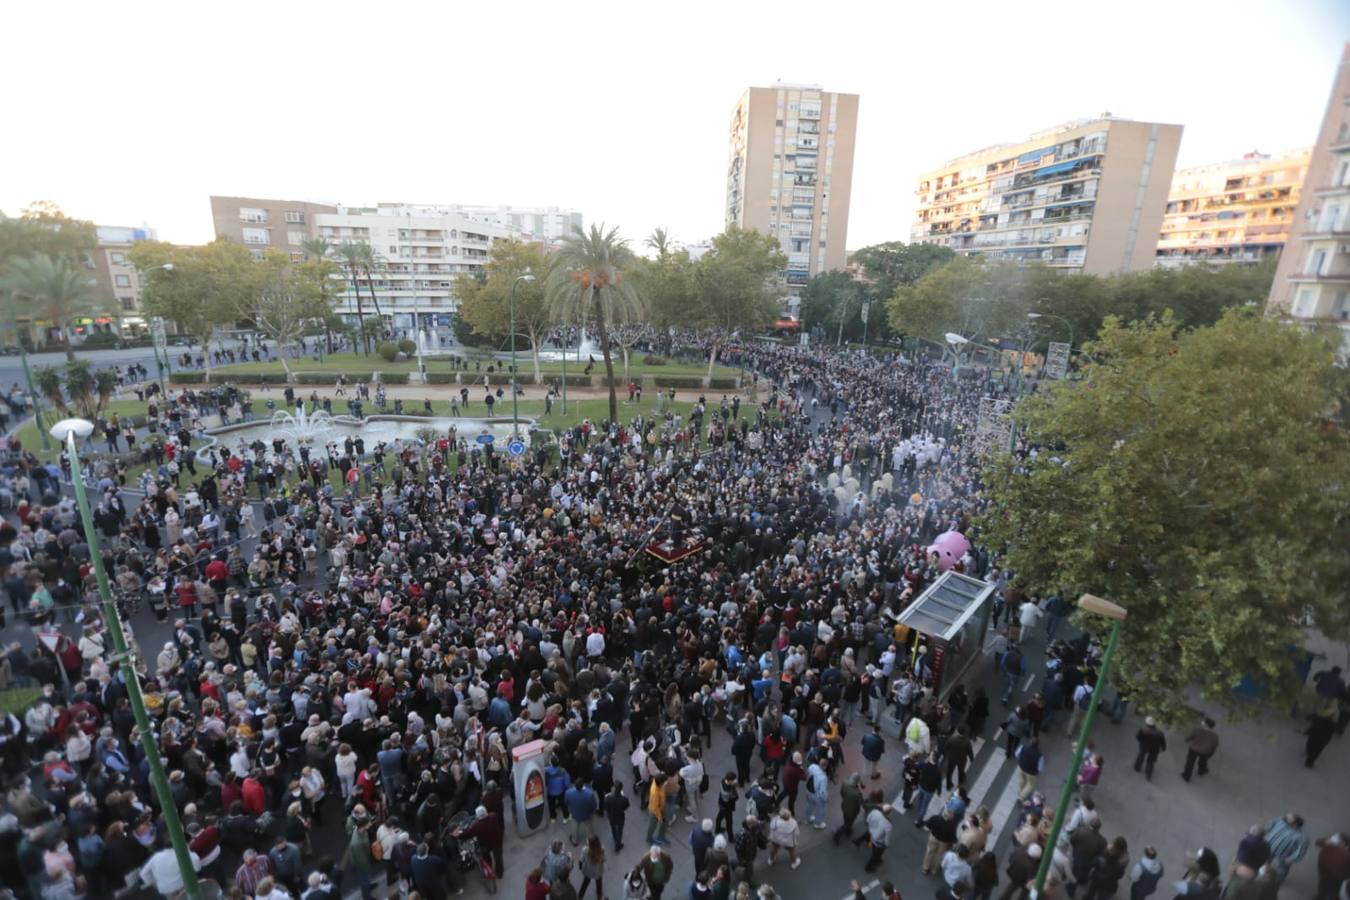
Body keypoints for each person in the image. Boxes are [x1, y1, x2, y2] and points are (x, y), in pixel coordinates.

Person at [1263, 813, 1309, 882]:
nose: (1284, 818)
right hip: (1269, 847)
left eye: (1288, 819)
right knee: (1264, 861)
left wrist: (1290, 859)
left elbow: (1300, 852)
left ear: (1295, 824)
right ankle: (1262, 873)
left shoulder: (1301, 837)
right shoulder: (1281, 821)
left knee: (1282, 869)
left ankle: (1277, 881)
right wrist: (1263, 832)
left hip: (1284, 855)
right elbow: (1270, 824)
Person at [1314, 832, 1350, 900]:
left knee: (1333, 890)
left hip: (1337, 876)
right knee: (1323, 884)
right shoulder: (1329, 844)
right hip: (1325, 869)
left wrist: (1345, 876)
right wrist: (1326, 841)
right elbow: (1318, 842)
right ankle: (1320, 897)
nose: (1333, 840)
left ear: (1343, 844)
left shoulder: (1346, 854)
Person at [833, 772, 864, 846]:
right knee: (848, 823)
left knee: (846, 820)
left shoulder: (845, 783)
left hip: (844, 806)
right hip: (852, 811)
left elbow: (842, 793)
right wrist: (861, 791)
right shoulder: (857, 793)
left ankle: (848, 830)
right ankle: (837, 835)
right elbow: (861, 802)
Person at [863, 803, 893, 873]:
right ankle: (868, 867)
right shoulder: (888, 825)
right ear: (889, 813)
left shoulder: (875, 812)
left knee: (874, 850)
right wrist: (886, 845)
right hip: (879, 842)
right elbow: (887, 839)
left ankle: (877, 859)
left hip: (872, 835)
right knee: (876, 855)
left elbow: (868, 820)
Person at [605, 781, 631, 852]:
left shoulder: (608, 798)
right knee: (620, 830)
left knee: (613, 827)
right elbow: (626, 807)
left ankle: (615, 837)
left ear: (614, 788)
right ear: (621, 789)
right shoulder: (624, 799)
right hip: (620, 817)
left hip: (611, 816)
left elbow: (606, 807)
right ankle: (618, 844)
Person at [578, 834, 607, 900]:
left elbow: (581, 860)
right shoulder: (601, 850)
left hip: (588, 870)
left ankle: (580, 896)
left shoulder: (585, 850)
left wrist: (580, 866)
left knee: (585, 882)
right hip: (598, 871)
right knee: (599, 882)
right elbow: (604, 859)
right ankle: (599, 894)